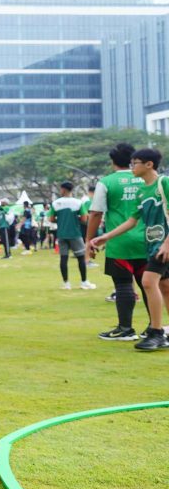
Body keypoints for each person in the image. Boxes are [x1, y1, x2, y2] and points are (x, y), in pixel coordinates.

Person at [89, 148, 169, 351]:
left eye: (135, 163)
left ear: (149, 164)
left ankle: (156, 332)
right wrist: (105, 236)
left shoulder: (164, 183)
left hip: (164, 245)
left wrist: (167, 243)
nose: (132, 167)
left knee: (148, 282)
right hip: (153, 244)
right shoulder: (142, 191)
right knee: (165, 287)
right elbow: (132, 220)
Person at [86, 143, 148, 341]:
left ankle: (125, 328)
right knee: (149, 285)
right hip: (147, 239)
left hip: (119, 239)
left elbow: (96, 213)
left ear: (112, 160)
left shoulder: (107, 182)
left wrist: (89, 240)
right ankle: (153, 327)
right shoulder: (146, 179)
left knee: (123, 284)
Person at [49, 182, 94, 290]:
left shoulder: (56, 203)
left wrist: (61, 220)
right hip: (75, 234)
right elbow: (84, 219)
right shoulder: (78, 203)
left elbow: (51, 219)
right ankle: (84, 282)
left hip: (61, 234)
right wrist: (75, 219)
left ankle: (66, 284)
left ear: (64, 189)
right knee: (80, 258)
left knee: (63, 258)